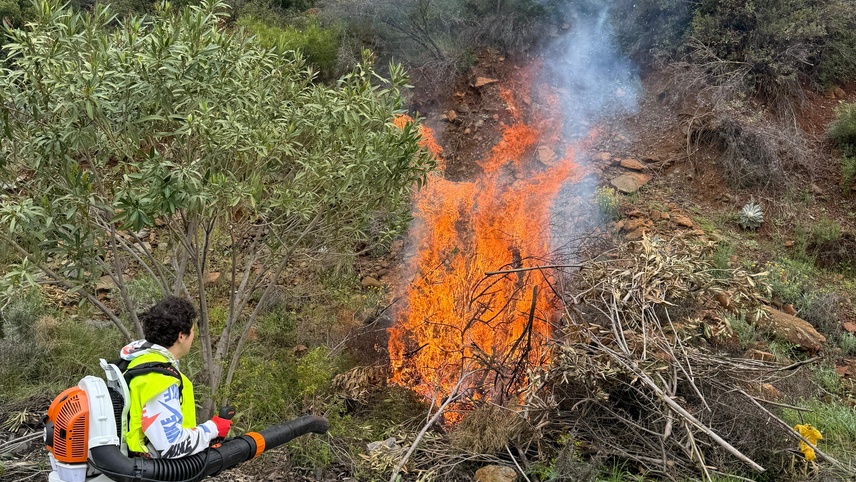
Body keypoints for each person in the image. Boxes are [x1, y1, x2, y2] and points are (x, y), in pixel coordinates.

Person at [119, 297, 231, 458]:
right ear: (181, 336)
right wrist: (213, 428)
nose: (193, 337)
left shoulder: (136, 360)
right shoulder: (160, 379)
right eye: (192, 331)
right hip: (152, 470)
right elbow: (172, 446)